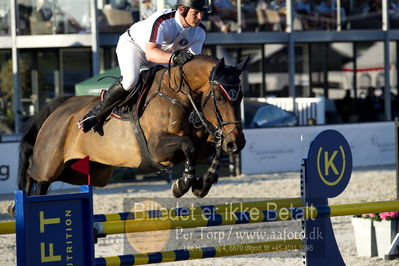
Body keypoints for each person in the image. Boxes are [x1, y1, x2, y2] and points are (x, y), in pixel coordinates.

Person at [78, 0, 208, 132]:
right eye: (195, 13)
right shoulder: (163, 20)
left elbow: (191, 64)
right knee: (130, 81)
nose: (200, 17)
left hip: (162, 55)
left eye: (202, 13)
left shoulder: (200, 31)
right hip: (134, 46)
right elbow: (151, 54)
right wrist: (174, 57)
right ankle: (96, 113)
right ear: (181, 9)